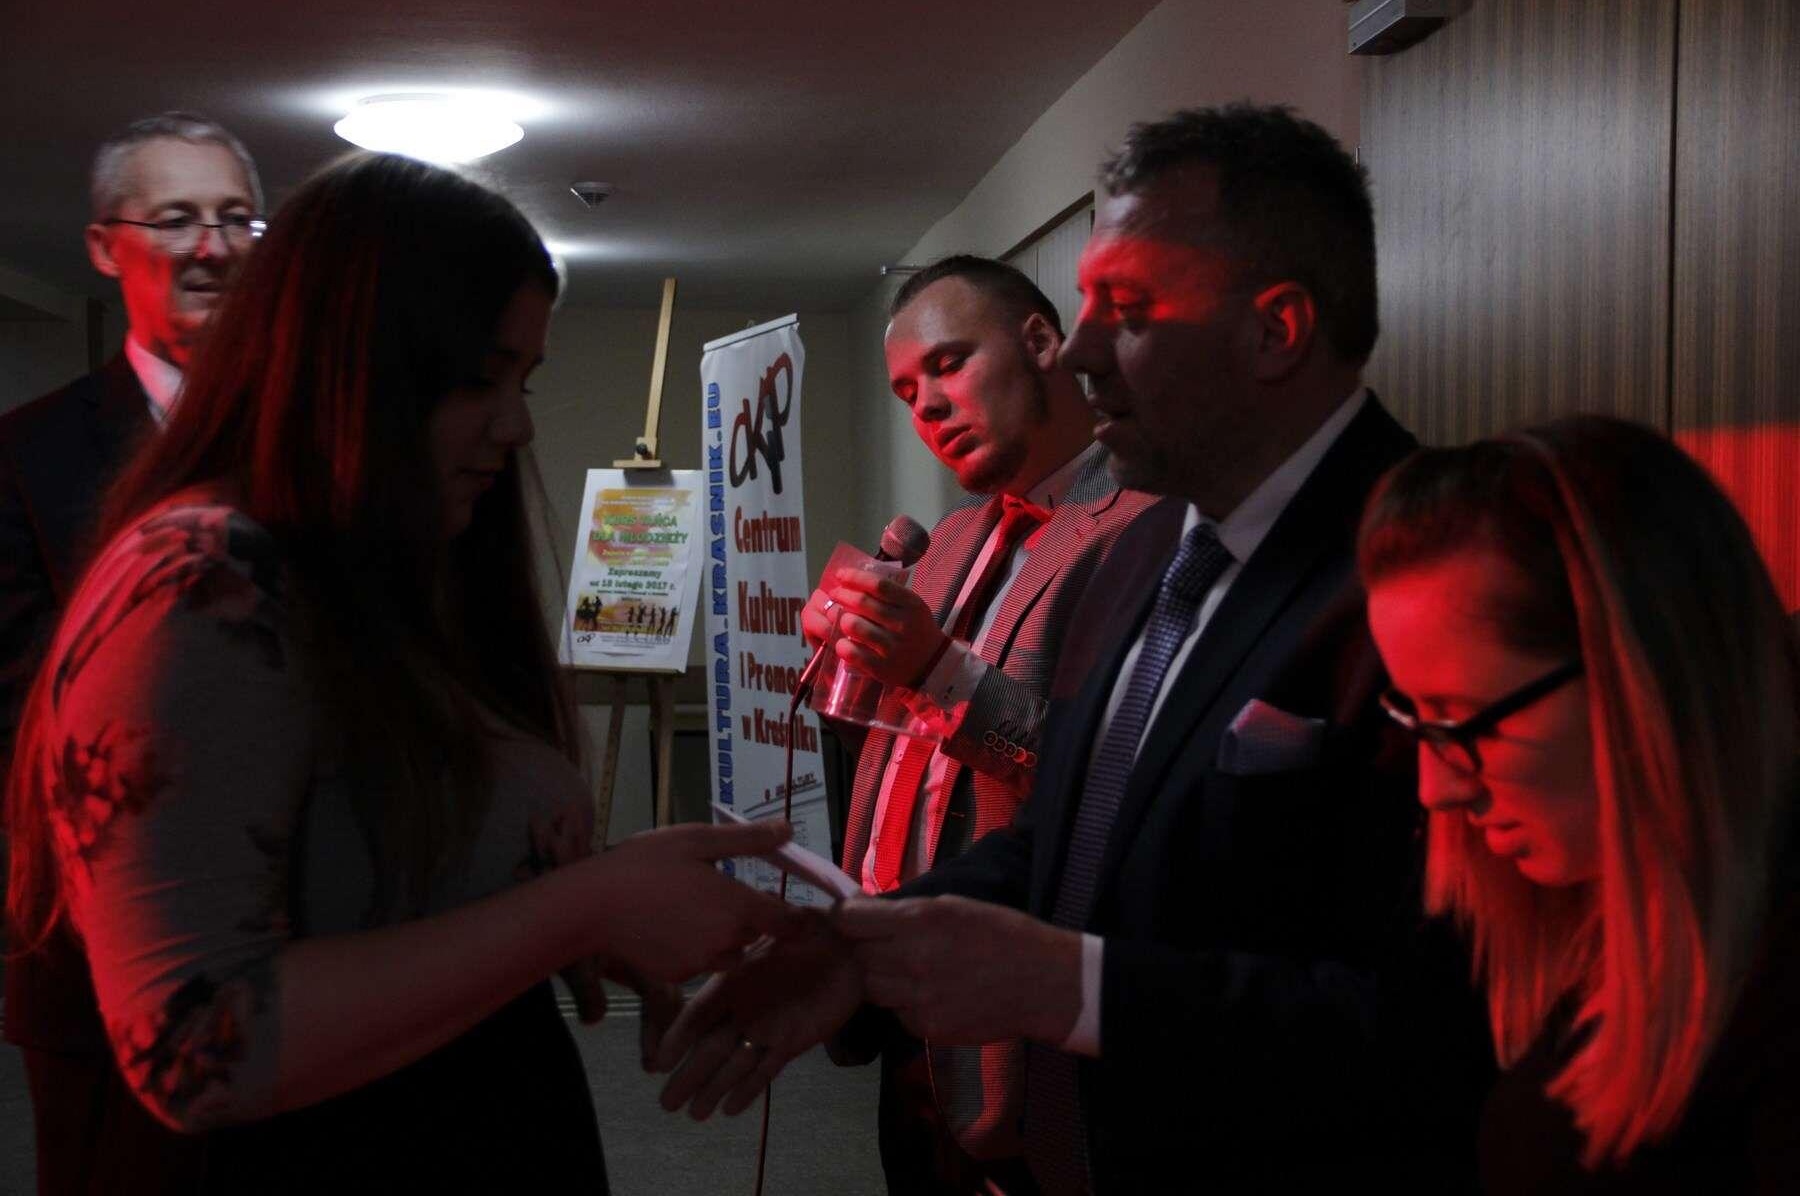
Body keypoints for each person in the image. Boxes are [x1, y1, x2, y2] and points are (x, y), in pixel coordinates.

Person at [657, 104, 1491, 1192]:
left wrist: (1077, 989)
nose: (1084, 352)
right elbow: (1070, 829)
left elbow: (1457, 1020)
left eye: (1127, 311)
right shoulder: (1148, 552)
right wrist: (861, 944)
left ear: (1276, 330)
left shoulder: (1451, 567)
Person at [3, 150, 799, 1192]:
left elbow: (382, 885)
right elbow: (198, 1045)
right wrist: (582, 907)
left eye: (524, 381)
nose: (515, 425)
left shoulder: (379, 580)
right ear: (349, 366)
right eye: (478, 379)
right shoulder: (205, 581)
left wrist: (588, 908)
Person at [1360, 415, 1800, 1192]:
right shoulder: (1568, 927)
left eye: (1466, 722)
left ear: (1647, 679)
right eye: (1413, 717)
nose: (1438, 789)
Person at [803, 255, 1152, 1193]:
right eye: (906, 392)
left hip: (1023, 997)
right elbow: (906, 752)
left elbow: (1103, 780)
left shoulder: (1142, 527)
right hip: (904, 978)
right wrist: (849, 661)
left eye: (949, 364)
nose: (927, 406)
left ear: (1040, 342)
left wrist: (933, 667)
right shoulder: (954, 534)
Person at [0, 110, 267, 1192]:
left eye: (236, 218)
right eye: (176, 219)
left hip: (316, 948)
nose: (212, 246)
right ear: (107, 247)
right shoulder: (23, 454)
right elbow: (20, 712)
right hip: (102, 948)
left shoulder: (328, 440)